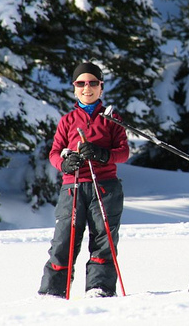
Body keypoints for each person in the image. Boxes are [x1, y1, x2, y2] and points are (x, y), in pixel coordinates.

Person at [38, 62, 129, 298]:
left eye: (92, 83)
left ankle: (99, 288)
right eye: (81, 83)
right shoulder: (67, 120)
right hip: (73, 188)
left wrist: (102, 154)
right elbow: (54, 153)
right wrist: (65, 164)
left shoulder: (112, 118)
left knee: (103, 239)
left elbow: (124, 152)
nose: (86, 88)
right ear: (74, 87)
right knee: (64, 240)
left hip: (104, 187)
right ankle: (54, 291)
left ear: (101, 87)